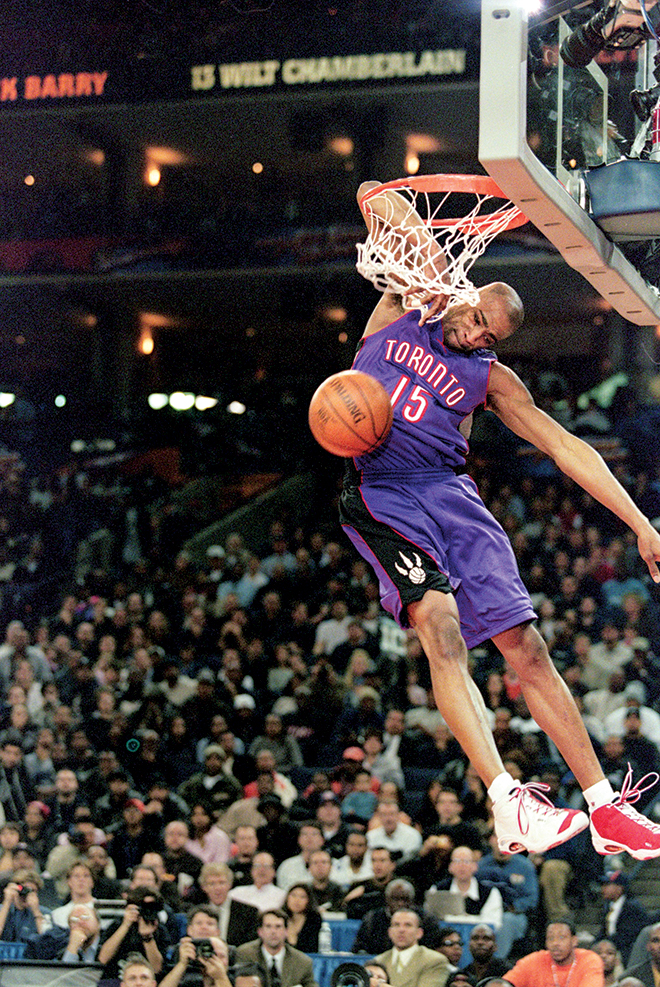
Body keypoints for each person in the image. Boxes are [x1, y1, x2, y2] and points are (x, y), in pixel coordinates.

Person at [338, 179, 660, 860]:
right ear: (468, 292)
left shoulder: (489, 377)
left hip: (451, 493)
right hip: (384, 490)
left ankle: (604, 808)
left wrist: (640, 523)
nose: (479, 333)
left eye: (493, 334)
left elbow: (566, 446)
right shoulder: (403, 304)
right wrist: (435, 263)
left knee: (528, 648)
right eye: (479, 317)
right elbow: (375, 194)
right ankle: (506, 799)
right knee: (439, 623)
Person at [505, 920, 604, 987]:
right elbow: (503, 983)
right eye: (550, 938)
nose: (555, 943)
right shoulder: (534, 960)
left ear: (574, 941)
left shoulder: (589, 959)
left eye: (562, 937)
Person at [235, 908, 318, 987]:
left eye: (278, 926)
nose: (273, 931)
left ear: (286, 931)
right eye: (268, 926)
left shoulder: (302, 962)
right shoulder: (245, 954)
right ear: (260, 931)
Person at [375, 909, 450, 987]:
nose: (401, 930)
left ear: (419, 933)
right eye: (396, 925)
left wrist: (380, 985)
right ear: (390, 932)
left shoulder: (434, 960)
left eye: (408, 925)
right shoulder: (378, 961)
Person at [197, 862, 260, 946]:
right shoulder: (197, 912)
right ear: (204, 887)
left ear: (229, 884)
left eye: (222, 883)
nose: (217, 888)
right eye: (212, 884)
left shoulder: (249, 912)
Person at [598, 870, 650, 966]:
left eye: (607, 885)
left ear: (619, 888)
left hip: (626, 955)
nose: (603, 889)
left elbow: (627, 936)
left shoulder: (632, 907)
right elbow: (603, 931)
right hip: (612, 949)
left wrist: (607, 943)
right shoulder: (609, 906)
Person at [283, 882, 322, 952]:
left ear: (308, 901)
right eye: (293, 895)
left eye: (302, 897)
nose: (297, 900)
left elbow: (312, 947)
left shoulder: (314, 919)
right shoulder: (279, 917)